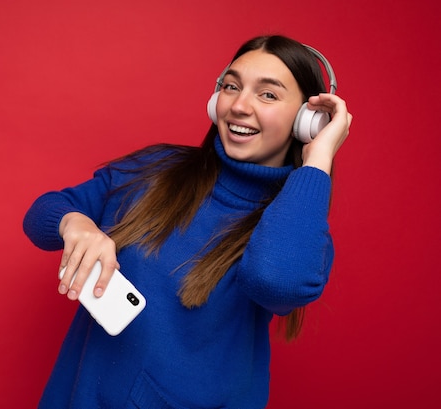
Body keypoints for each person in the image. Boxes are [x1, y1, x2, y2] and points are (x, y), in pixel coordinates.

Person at [23, 35, 352, 408]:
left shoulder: (299, 231)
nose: (239, 105)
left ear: (308, 121)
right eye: (231, 86)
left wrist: (318, 159)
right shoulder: (153, 171)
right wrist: (75, 224)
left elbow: (275, 282)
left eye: (268, 95)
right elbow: (42, 213)